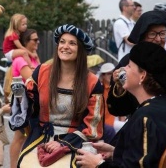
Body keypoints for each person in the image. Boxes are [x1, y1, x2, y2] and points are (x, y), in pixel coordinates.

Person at [76, 42, 166, 168]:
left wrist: (97, 164)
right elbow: (153, 158)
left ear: (142, 76)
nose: (124, 70)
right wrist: (116, 152)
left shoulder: (146, 117)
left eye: (129, 66)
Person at [9, 24, 104, 167]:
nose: (65, 46)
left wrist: (63, 143)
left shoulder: (92, 82)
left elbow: (92, 126)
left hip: (74, 142)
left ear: (81, 50)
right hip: (41, 138)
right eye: (62, 42)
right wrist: (20, 96)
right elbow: (30, 106)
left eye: (72, 43)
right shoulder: (41, 72)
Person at [107, 10, 166, 119]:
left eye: (162, 33)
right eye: (152, 34)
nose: (158, 39)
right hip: (138, 124)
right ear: (142, 37)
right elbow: (117, 109)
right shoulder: (128, 62)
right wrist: (119, 87)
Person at [9, 29, 41, 168]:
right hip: (22, 102)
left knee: (28, 136)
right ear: (25, 42)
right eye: (34, 39)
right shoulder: (20, 59)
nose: (38, 42)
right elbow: (33, 77)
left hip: (33, 102)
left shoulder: (33, 58)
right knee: (19, 137)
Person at [98, 63, 125, 135]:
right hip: (105, 122)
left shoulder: (116, 86)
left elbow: (121, 105)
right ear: (103, 75)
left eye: (112, 73)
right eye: (109, 73)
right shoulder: (99, 89)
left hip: (114, 119)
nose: (111, 75)